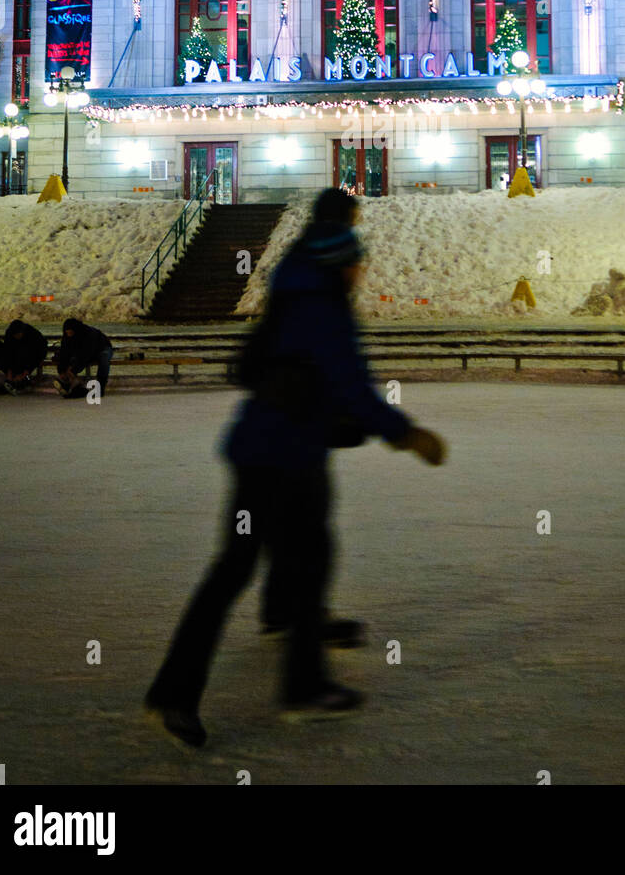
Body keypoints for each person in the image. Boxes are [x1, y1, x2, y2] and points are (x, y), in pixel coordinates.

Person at [145, 187, 446, 748]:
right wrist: (406, 434)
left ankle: (174, 692)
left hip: (259, 446)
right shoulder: (323, 308)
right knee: (304, 559)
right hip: (288, 456)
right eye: (358, 262)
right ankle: (302, 684)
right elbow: (351, 386)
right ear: (341, 264)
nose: (362, 272)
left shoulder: (293, 289)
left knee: (239, 568)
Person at [54, 318, 113, 400]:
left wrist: (74, 370)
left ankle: (100, 387)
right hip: (86, 351)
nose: (69, 335)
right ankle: (72, 385)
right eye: (67, 333)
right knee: (72, 361)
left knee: (104, 359)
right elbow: (64, 352)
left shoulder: (88, 334)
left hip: (102, 347)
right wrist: (62, 370)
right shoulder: (67, 337)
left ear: (75, 330)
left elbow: (86, 353)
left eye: (70, 332)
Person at [2, 319, 49, 395]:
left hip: (37, 352)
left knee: (26, 366)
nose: (17, 336)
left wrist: (26, 372)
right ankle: (16, 381)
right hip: (19, 354)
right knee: (11, 361)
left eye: (18, 334)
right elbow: (8, 352)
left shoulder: (32, 334)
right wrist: (9, 373)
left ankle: (25, 379)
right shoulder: (9, 334)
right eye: (15, 335)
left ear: (22, 332)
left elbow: (37, 354)